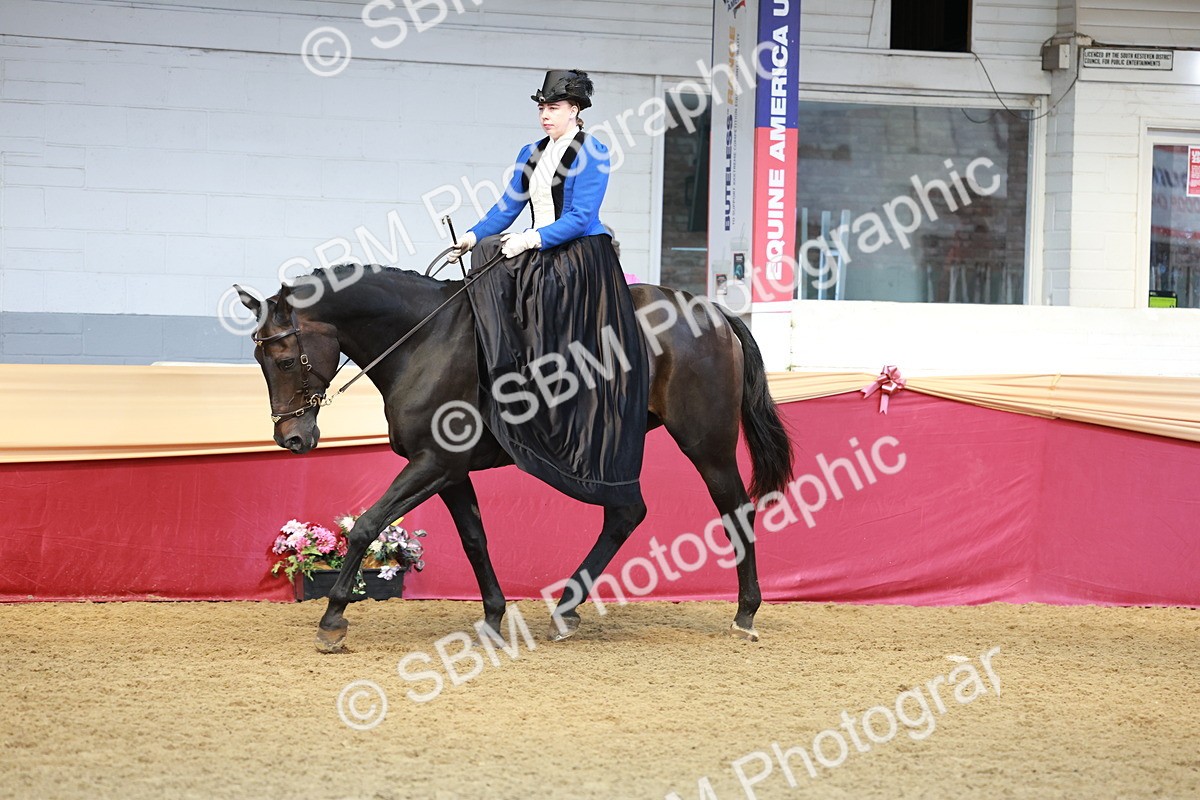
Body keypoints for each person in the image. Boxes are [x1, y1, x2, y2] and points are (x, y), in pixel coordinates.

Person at [450, 69, 648, 507]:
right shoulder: (531, 152)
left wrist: (531, 239)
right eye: (542, 107)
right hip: (536, 243)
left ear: (574, 110)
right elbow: (508, 206)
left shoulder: (592, 152)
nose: (545, 115)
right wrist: (472, 234)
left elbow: (580, 217)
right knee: (487, 253)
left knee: (533, 288)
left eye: (553, 108)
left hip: (578, 251)